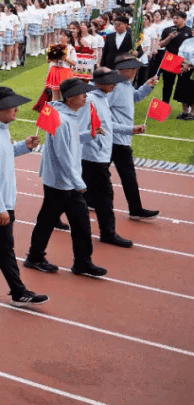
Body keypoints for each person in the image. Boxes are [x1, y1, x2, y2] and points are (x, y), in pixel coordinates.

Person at [24, 78, 107, 278]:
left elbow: (73, 141)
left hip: (66, 180)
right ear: (70, 97)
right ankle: (36, 257)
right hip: (60, 182)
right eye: (82, 93)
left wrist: (90, 134)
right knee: (49, 221)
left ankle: (82, 262)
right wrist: (78, 182)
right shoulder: (61, 119)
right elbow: (63, 154)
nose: (86, 96)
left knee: (79, 222)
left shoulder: (69, 115)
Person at [80, 68, 133, 248]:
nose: (115, 84)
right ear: (100, 83)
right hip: (92, 157)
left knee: (70, 194)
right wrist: (93, 138)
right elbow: (79, 130)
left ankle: (52, 217)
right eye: (111, 81)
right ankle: (107, 233)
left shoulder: (102, 99)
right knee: (104, 195)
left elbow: (108, 124)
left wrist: (130, 130)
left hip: (100, 155)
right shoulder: (89, 101)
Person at [107, 56, 159, 219]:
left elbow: (133, 98)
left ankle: (85, 200)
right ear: (121, 69)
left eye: (136, 68)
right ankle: (135, 209)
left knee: (95, 173)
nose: (135, 72)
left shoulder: (126, 84)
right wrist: (128, 129)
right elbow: (102, 113)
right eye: (132, 69)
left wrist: (146, 87)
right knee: (127, 176)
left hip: (120, 139)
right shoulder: (113, 87)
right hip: (113, 140)